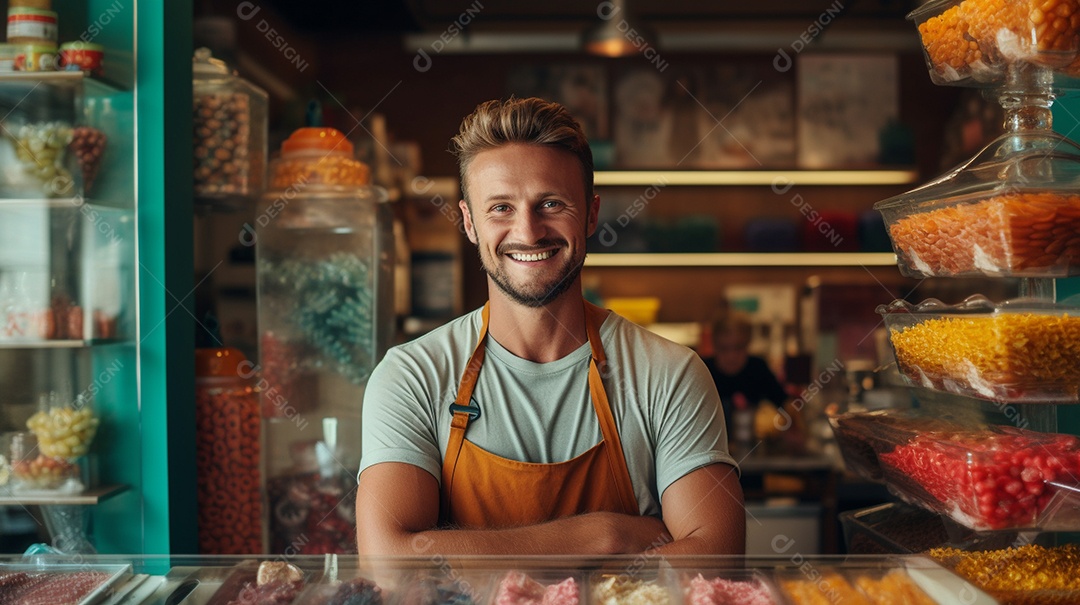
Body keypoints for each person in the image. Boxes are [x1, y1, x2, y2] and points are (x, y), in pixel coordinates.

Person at [355, 97, 744, 556]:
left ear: (592, 213)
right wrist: (607, 535)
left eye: (552, 203)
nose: (529, 231)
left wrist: (463, 553)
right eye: (500, 207)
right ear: (469, 222)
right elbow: (390, 563)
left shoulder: (668, 373)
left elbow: (716, 555)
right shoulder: (412, 377)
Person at [705, 310, 802, 455]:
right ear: (714, 344)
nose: (731, 356)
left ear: (748, 343)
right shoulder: (703, 371)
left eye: (738, 348)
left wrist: (793, 429)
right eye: (724, 349)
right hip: (711, 454)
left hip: (753, 453)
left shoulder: (757, 368)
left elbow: (785, 404)